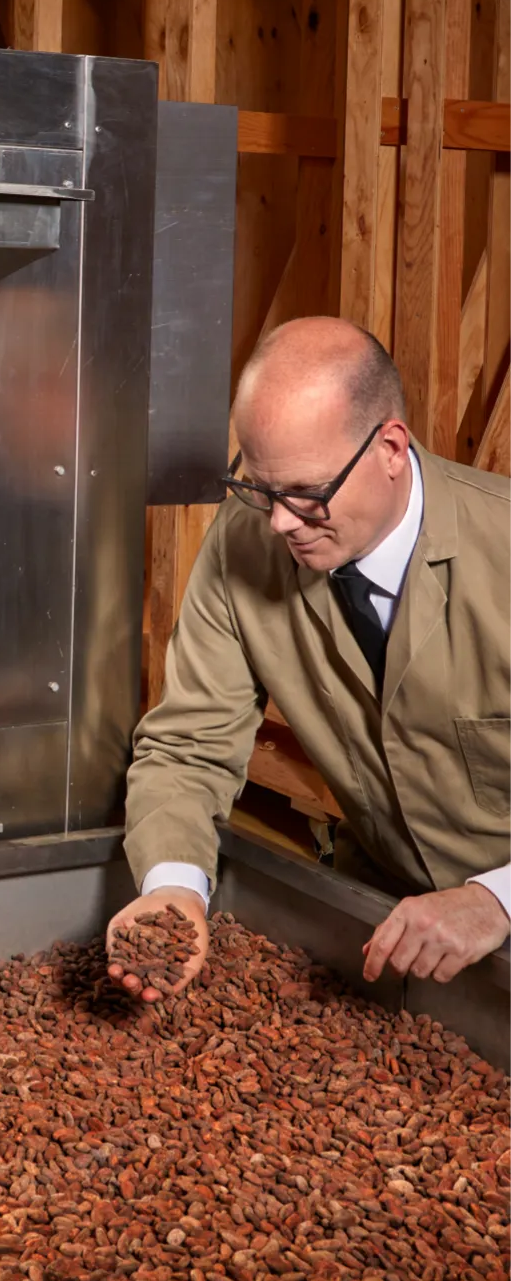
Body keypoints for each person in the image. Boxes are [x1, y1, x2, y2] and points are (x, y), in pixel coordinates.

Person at [108, 315, 511, 1000]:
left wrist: (494, 899)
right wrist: (173, 888)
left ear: (390, 448)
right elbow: (187, 746)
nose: (280, 522)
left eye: (307, 493)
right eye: (259, 488)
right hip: (377, 912)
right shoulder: (246, 542)